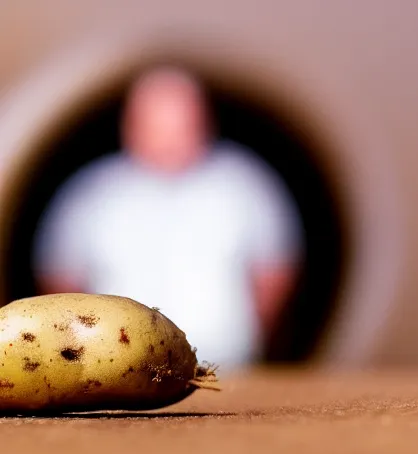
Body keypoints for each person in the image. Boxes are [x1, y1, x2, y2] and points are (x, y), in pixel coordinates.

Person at [32, 65, 303, 369]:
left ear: (203, 124)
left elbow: (275, 270)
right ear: (131, 127)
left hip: (226, 363)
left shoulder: (244, 184)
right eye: (157, 127)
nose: (170, 140)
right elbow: (60, 279)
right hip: (120, 367)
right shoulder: (91, 193)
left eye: (181, 126)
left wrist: (253, 333)